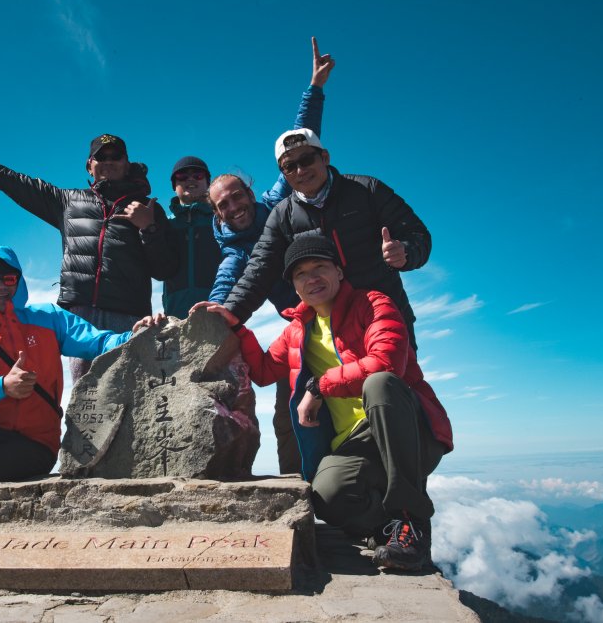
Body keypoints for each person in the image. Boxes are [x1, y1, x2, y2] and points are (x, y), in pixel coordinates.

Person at [201, 236, 453, 571]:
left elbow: (386, 364)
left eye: (320, 266)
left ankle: (411, 522)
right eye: (301, 273)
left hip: (407, 430)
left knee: (380, 384)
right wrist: (238, 329)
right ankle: (384, 530)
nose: (312, 277)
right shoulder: (296, 330)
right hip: (355, 444)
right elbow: (262, 372)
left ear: (338, 271)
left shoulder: (375, 303)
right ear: (294, 285)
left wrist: (318, 386)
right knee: (326, 498)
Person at [0, 246, 162, 502]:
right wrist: (2, 386)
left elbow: (97, 342)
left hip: (34, 443)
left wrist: (133, 335)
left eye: (9, 279)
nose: (1, 286)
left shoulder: (48, 318)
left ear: (19, 281)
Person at [0, 134, 177, 381]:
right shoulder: (68, 201)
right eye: (100, 157)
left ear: (127, 164)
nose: (108, 161)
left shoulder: (148, 209)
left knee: (131, 393)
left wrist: (149, 229)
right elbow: (20, 185)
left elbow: (165, 269)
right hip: (80, 317)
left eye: (115, 156)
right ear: (89, 165)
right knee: (88, 396)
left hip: (128, 314)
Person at [206, 36, 335, 474]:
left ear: (248, 191)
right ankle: (298, 493)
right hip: (297, 333)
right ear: (217, 213)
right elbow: (225, 293)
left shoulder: (280, 201)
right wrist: (204, 316)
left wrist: (314, 88)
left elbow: (299, 142)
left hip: (335, 312)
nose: (234, 207)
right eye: (223, 205)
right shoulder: (234, 255)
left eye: (237, 197)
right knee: (291, 415)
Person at [219, 114, 431, 353]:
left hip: (386, 319)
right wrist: (228, 314)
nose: (300, 170)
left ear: (325, 157)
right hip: (331, 334)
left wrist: (406, 252)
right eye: (290, 166)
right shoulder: (281, 216)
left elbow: (418, 234)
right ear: (283, 173)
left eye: (307, 159)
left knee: (393, 387)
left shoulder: (367, 190)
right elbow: (258, 271)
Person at [160, 155, 222, 318]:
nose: (190, 179)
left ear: (208, 182)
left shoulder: (221, 219)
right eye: (182, 176)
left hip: (220, 310)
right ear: (174, 185)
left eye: (198, 175)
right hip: (175, 314)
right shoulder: (165, 225)